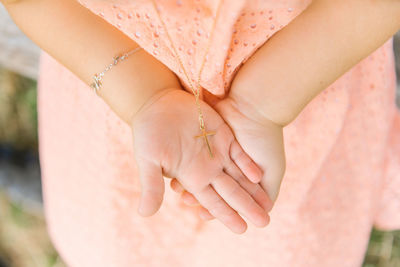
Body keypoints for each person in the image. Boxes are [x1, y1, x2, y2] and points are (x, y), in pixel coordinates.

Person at [2, 0, 400, 266]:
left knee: (276, 235)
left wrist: (263, 104)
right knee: (122, 223)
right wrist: (144, 96)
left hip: (306, 79)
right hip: (115, 85)